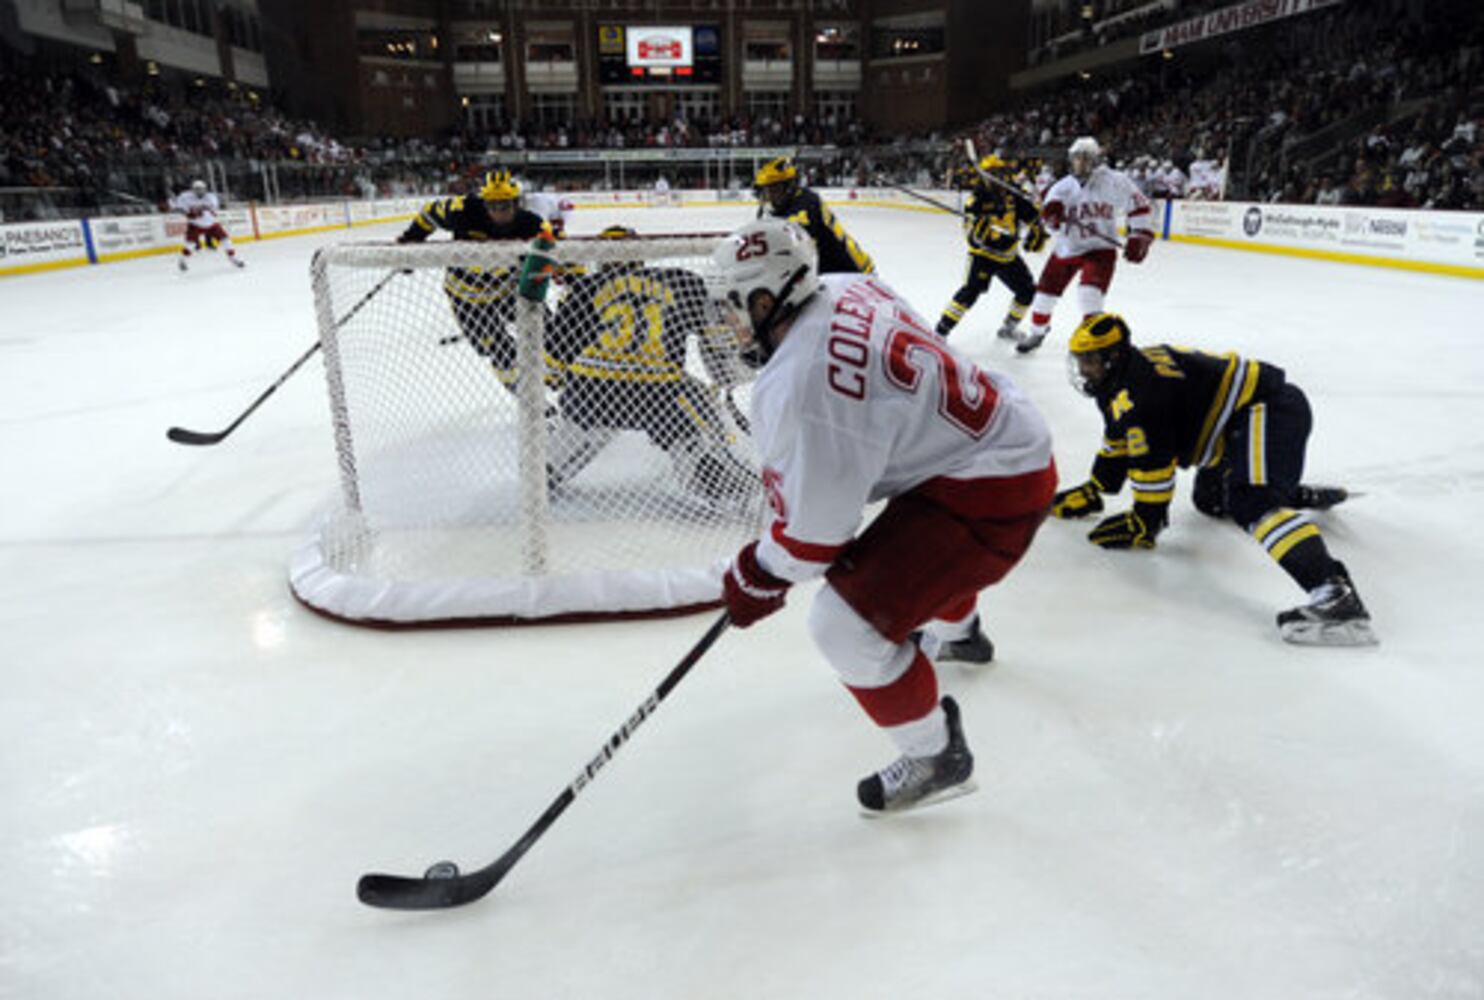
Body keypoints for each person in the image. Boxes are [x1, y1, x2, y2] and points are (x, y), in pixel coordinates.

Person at [709, 218, 1057, 814]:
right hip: (999, 436)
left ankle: (935, 756)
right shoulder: (847, 285)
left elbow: (812, 541)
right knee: (911, 545)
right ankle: (961, 636)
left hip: (994, 490)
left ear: (769, 300)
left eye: (737, 307)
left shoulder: (798, 387)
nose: (729, 324)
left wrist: (756, 576)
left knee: (843, 626)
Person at [1051, 312, 1373, 646]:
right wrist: (1097, 488)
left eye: (1089, 360)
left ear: (1113, 355)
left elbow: (1154, 467)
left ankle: (1336, 595)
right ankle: (1285, 491)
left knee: (1252, 502)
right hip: (1233, 427)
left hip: (1268, 409)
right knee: (1211, 500)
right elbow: (1118, 435)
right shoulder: (1121, 378)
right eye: (1079, 360)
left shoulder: (1144, 394)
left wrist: (1146, 522)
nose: (1083, 369)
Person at [541, 225, 757, 506]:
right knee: (697, 416)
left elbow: (553, 368)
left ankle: (551, 466)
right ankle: (718, 482)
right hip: (661, 394)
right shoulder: (680, 281)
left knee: (555, 457)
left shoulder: (583, 289)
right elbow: (717, 336)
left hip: (592, 394)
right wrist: (728, 377)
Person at [398, 170, 554, 390]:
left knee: (549, 331)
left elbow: (553, 252)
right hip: (467, 300)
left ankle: (555, 377)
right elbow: (428, 214)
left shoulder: (533, 225)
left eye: (505, 206)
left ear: (516, 203)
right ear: (484, 202)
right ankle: (523, 393)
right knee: (501, 351)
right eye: (493, 206)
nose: (499, 212)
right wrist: (410, 242)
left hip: (507, 292)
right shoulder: (463, 210)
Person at [1016, 137, 1154, 354]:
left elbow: (1140, 207)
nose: (1080, 163)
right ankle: (1037, 332)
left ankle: (1094, 340)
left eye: (1085, 159)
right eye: (1076, 158)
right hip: (1067, 248)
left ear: (1096, 160)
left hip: (1100, 249)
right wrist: (1052, 220)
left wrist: (1139, 235)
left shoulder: (1114, 181)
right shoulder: (1061, 187)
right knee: (1044, 296)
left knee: (1089, 295)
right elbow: (1050, 222)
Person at [934, 154, 1049, 342]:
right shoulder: (977, 199)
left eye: (1001, 172)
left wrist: (1037, 233)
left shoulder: (1012, 194)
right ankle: (940, 332)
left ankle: (1008, 328)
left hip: (1008, 257)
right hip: (983, 257)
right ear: (985, 175)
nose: (999, 177)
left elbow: (1034, 217)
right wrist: (987, 230)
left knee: (1027, 291)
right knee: (970, 293)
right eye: (994, 173)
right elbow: (972, 238)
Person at [753, 156, 875, 275]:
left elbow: (792, 241)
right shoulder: (787, 205)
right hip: (830, 275)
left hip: (852, 274)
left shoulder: (806, 204)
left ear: (789, 187)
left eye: (774, 190)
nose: (770, 197)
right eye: (766, 191)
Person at [173, 179, 245, 271]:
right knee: (190, 245)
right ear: (193, 189)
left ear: (205, 189)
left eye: (201, 189)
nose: (200, 192)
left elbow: (213, 212)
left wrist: (199, 211)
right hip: (195, 225)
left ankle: (233, 259)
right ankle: (182, 260)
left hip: (211, 224)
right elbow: (179, 209)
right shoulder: (185, 197)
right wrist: (189, 214)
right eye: (197, 189)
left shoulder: (211, 197)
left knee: (226, 240)